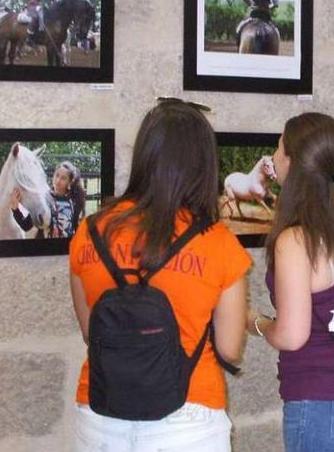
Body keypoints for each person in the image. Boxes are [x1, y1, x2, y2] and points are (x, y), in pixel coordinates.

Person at [67, 99, 251, 451]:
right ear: (202, 164)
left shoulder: (89, 233)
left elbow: (93, 334)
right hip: (189, 417)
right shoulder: (217, 242)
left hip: (102, 412)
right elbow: (229, 349)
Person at [247, 112, 334, 451]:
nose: (274, 157)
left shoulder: (296, 240)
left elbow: (293, 336)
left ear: (293, 161)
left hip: (325, 404)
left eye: (279, 148)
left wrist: (256, 322)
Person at [9, 161, 86, 239]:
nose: (58, 181)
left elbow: (77, 229)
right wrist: (15, 209)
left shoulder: (73, 202)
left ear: (70, 182)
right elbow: (27, 226)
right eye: (57, 175)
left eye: (63, 178)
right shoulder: (43, 200)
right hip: (47, 249)